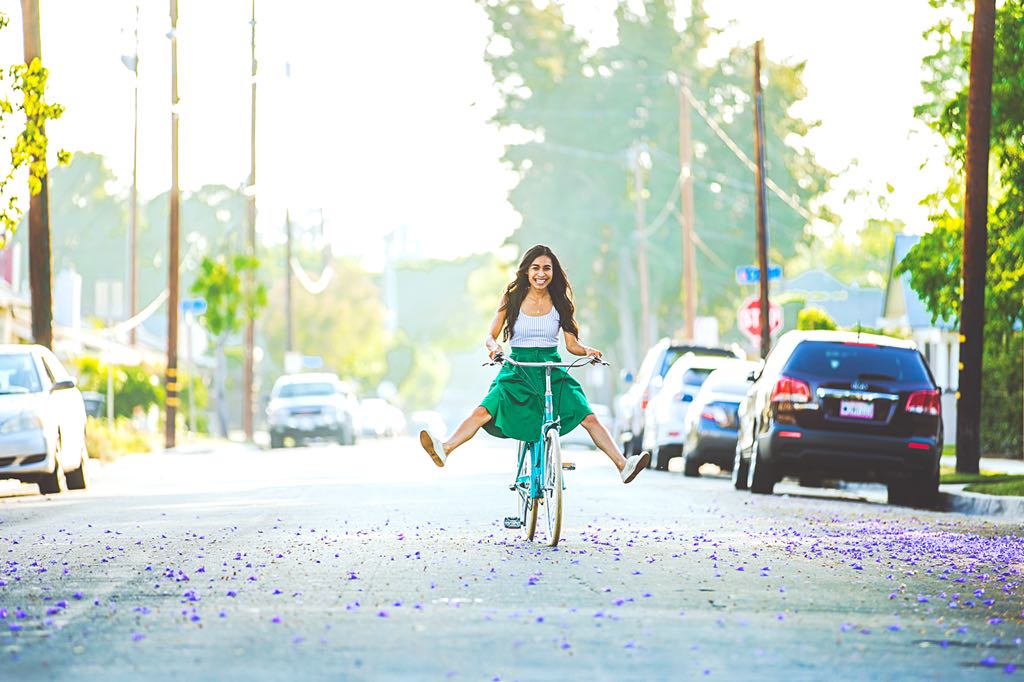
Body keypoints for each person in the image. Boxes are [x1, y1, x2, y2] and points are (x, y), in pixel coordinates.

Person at [419, 244, 651, 483]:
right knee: (483, 411)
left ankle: (623, 464)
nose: (542, 274)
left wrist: (588, 351)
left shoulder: (561, 301)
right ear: (527, 272)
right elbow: (491, 336)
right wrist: (494, 348)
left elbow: (572, 345)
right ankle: (445, 449)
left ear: (554, 272)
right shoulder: (512, 297)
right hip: (518, 367)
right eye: (536, 268)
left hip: (551, 368)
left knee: (588, 416)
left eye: (547, 269)